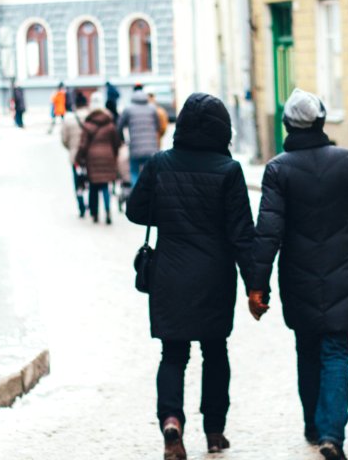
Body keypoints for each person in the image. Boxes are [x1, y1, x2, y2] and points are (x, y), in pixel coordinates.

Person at [251, 89, 348, 460]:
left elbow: (269, 232)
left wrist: (258, 284)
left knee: (307, 350)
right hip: (343, 272)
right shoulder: (347, 162)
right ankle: (331, 434)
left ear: (288, 125)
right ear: (322, 121)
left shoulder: (278, 169)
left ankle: (312, 424)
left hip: (298, 275)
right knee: (337, 351)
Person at [126, 93, 257, 460]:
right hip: (215, 276)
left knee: (173, 354)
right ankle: (214, 432)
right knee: (215, 352)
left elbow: (136, 211)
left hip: (169, 274)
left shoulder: (159, 164)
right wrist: (256, 285)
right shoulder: (228, 171)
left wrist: (169, 211)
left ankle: (171, 421)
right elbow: (242, 235)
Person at [76, 92, 121, 224]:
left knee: (94, 187)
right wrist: (113, 155)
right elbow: (116, 142)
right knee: (106, 186)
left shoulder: (88, 124)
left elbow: (83, 145)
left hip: (92, 158)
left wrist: (79, 158)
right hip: (108, 157)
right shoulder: (110, 123)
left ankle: (95, 214)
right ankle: (107, 211)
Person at [117, 85, 161, 187]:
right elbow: (158, 127)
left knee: (134, 172)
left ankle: (136, 197)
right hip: (151, 149)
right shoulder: (152, 108)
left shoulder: (128, 109)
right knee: (151, 172)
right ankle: (151, 197)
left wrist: (123, 139)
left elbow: (119, 127)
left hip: (135, 148)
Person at [61, 91, 90, 217]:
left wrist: (72, 148)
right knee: (90, 181)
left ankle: (81, 206)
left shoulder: (69, 120)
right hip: (89, 156)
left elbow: (64, 139)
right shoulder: (91, 117)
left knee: (77, 182)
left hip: (75, 157)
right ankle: (91, 204)